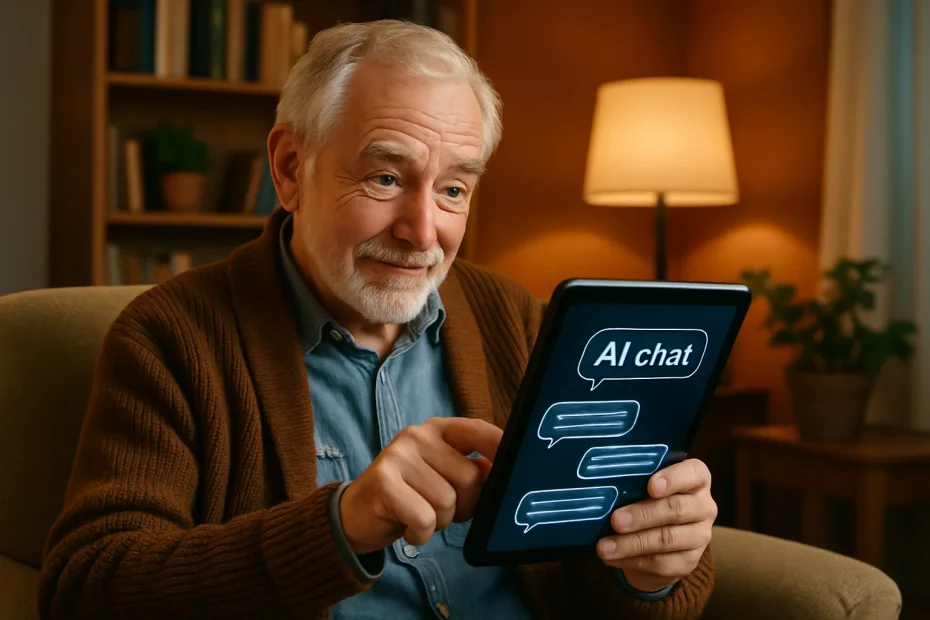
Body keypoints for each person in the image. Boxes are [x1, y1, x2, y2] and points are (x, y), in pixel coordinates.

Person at [38, 19, 717, 620]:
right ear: (290, 168)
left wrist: (650, 568)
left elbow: (608, 553)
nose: (422, 231)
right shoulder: (171, 337)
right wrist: (341, 524)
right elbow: (87, 587)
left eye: (453, 189)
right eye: (385, 178)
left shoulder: (516, 320)